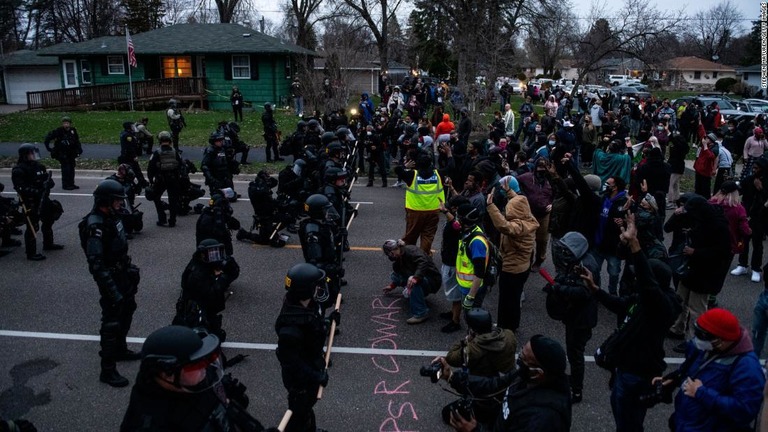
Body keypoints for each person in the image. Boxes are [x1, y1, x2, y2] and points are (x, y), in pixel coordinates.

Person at [581, 212, 681, 432]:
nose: (634, 278)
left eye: (639, 276)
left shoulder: (660, 307)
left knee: (630, 423)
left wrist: (635, 244)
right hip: (623, 370)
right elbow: (620, 304)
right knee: (621, 416)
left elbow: (648, 283)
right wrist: (595, 289)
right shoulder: (641, 300)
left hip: (636, 376)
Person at [120, 325, 272, 431]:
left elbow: (226, 411)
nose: (204, 370)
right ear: (166, 374)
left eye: (205, 362)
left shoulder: (197, 384)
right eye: (193, 367)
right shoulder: (150, 424)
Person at [655, 308, 765, 432]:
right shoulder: (705, 348)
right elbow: (691, 371)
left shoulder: (747, 367)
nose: (697, 339)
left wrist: (702, 393)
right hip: (687, 424)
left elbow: (744, 411)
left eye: (702, 335)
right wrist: (674, 379)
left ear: (721, 341)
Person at [436, 334, 572, 432]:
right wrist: (451, 376)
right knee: (450, 412)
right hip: (499, 422)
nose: (519, 360)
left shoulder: (543, 419)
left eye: (523, 358)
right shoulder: (526, 375)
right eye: (521, 352)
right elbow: (494, 385)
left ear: (538, 372)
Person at [80, 179, 141, 387]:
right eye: (116, 201)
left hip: (123, 273)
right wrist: (111, 290)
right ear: (106, 201)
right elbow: (96, 264)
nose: (120, 204)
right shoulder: (95, 225)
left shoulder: (113, 216)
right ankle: (107, 370)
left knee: (128, 309)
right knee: (111, 321)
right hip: (110, 278)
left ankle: (120, 349)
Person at [275, 263, 336, 432]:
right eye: (316, 286)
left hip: (310, 365)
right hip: (300, 381)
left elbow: (313, 329)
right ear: (306, 290)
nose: (319, 289)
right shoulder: (291, 329)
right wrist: (316, 376)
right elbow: (291, 362)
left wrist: (328, 321)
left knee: (306, 410)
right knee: (298, 414)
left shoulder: (303, 305)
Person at [667, 196, 732, 353]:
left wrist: (695, 252)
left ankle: (694, 341)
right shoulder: (701, 219)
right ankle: (677, 329)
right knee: (680, 300)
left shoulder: (718, 226)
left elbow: (721, 252)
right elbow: (668, 227)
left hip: (704, 273)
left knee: (696, 308)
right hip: (690, 268)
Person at [546, 231, 598, 403]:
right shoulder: (578, 261)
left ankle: (576, 390)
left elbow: (583, 293)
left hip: (581, 320)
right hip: (575, 316)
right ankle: (575, 381)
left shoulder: (586, 266)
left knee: (575, 355)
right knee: (573, 351)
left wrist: (558, 289)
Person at [443, 308, 517, 427]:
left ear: (473, 329)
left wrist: (466, 340)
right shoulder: (509, 335)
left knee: (447, 413)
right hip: (506, 387)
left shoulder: (474, 349)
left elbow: (451, 357)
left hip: (485, 391)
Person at [486, 176, 538, 332]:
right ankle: (511, 324)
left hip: (512, 269)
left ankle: (506, 326)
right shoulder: (528, 218)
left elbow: (504, 226)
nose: (506, 212)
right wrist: (509, 191)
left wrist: (490, 206)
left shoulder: (518, 226)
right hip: (521, 267)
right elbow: (519, 201)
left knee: (508, 300)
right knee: (513, 299)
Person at [172, 239, 231, 342]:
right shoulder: (197, 274)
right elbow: (211, 294)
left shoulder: (201, 264)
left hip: (205, 308)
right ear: (203, 255)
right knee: (210, 340)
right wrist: (221, 279)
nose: (215, 257)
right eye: (212, 253)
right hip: (196, 314)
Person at [12, 143, 63, 261]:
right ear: (25, 155)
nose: (34, 156)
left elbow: (49, 181)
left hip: (43, 199)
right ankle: (31, 253)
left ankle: (48, 243)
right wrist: (37, 191)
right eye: (31, 154)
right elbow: (21, 188)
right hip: (30, 202)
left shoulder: (39, 166)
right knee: (32, 226)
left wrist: (48, 184)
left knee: (50, 218)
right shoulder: (19, 170)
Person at [395, 150, 450, 255]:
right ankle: (424, 258)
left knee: (411, 236)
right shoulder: (438, 174)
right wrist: (449, 154)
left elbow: (398, 170)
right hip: (433, 211)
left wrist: (404, 165)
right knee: (428, 236)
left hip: (415, 211)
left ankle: (409, 256)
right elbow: (450, 167)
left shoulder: (412, 175)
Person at [299, 194, 344, 311]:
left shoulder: (322, 224)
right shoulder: (312, 232)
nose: (328, 212)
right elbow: (316, 262)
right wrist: (332, 269)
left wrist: (340, 234)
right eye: (325, 210)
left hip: (329, 262)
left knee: (333, 289)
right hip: (322, 270)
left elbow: (330, 240)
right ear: (317, 212)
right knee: (322, 299)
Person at [382, 239, 442, 324]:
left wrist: (415, 278)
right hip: (420, 276)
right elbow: (399, 272)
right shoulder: (399, 257)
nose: (391, 257)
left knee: (413, 283)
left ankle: (421, 313)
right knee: (394, 274)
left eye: (391, 254)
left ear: (393, 250)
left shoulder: (411, 250)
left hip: (432, 280)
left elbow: (423, 262)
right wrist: (392, 286)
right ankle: (416, 293)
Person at [731, 156, 768, 283]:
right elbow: (739, 190)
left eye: (757, 168)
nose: (754, 170)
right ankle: (742, 264)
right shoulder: (749, 179)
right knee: (743, 240)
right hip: (746, 215)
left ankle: (756, 269)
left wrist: (761, 189)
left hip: (760, 217)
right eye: (754, 167)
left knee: (757, 244)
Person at [439, 195, 470, 333]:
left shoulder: (460, 222)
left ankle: (455, 321)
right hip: (449, 259)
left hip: (453, 262)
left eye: (450, 206)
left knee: (455, 293)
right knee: (452, 290)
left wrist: (445, 212)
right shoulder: (459, 218)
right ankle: (453, 313)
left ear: (456, 209)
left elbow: (455, 226)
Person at [195, 191, 241, 285]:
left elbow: (236, 225)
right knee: (233, 269)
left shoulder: (208, 214)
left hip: (209, 252)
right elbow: (220, 233)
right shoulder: (213, 218)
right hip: (212, 253)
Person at [517, 158, 554, 272]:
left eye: (544, 168)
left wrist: (553, 204)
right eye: (539, 168)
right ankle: (528, 260)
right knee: (528, 238)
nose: (541, 171)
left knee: (542, 240)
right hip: (530, 213)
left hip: (544, 214)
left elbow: (560, 192)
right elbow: (514, 181)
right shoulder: (526, 177)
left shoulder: (552, 180)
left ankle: (539, 260)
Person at [455, 204, 491, 311]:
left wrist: (471, 297)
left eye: (458, 217)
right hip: (466, 286)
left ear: (464, 220)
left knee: (472, 318)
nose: (456, 219)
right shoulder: (469, 232)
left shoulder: (476, 242)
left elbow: (479, 272)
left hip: (472, 289)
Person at [147, 131, 183, 227]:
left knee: (156, 197)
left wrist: (151, 179)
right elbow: (181, 164)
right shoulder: (175, 151)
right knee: (173, 200)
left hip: (160, 180)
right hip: (173, 179)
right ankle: (172, 221)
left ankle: (162, 219)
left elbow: (151, 167)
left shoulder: (157, 152)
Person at [44, 116, 82, 190]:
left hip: (71, 154)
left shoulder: (73, 131)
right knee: (66, 169)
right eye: (64, 123)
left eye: (67, 123)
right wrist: (49, 149)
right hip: (62, 154)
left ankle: (71, 183)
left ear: (70, 124)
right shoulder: (58, 131)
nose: (66, 125)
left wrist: (79, 149)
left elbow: (77, 141)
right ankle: (66, 185)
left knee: (71, 169)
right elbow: (47, 138)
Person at [118, 121, 148, 188]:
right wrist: (134, 156)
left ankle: (139, 182)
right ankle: (142, 182)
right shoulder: (128, 136)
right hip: (129, 156)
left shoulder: (124, 133)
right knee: (136, 170)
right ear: (129, 127)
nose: (133, 127)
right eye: (132, 126)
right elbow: (130, 147)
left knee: (126, 170)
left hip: (124, 155)